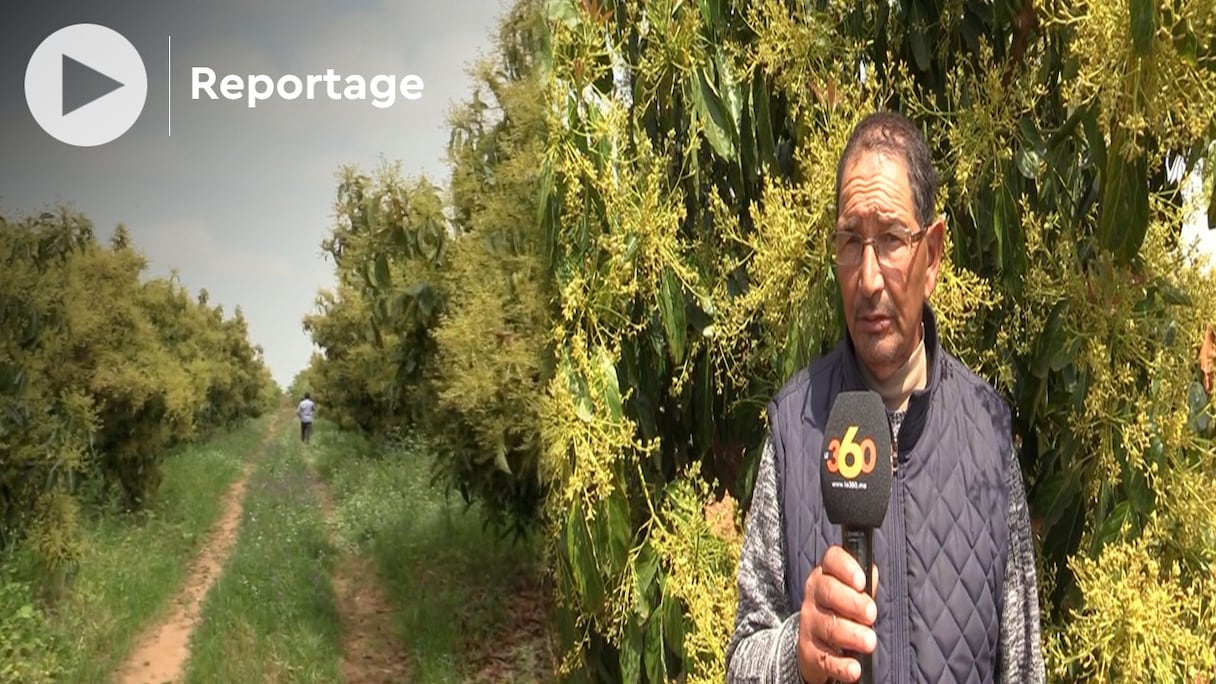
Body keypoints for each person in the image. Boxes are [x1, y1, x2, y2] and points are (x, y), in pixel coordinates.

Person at [725, 111, 1045, 683]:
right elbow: (741, 660)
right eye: (851, 242)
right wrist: (794, 654)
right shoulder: (795, 427)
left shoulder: (989, 436)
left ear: (934, 254)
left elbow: (1023, 668)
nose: (869, 278)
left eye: (892, 239)